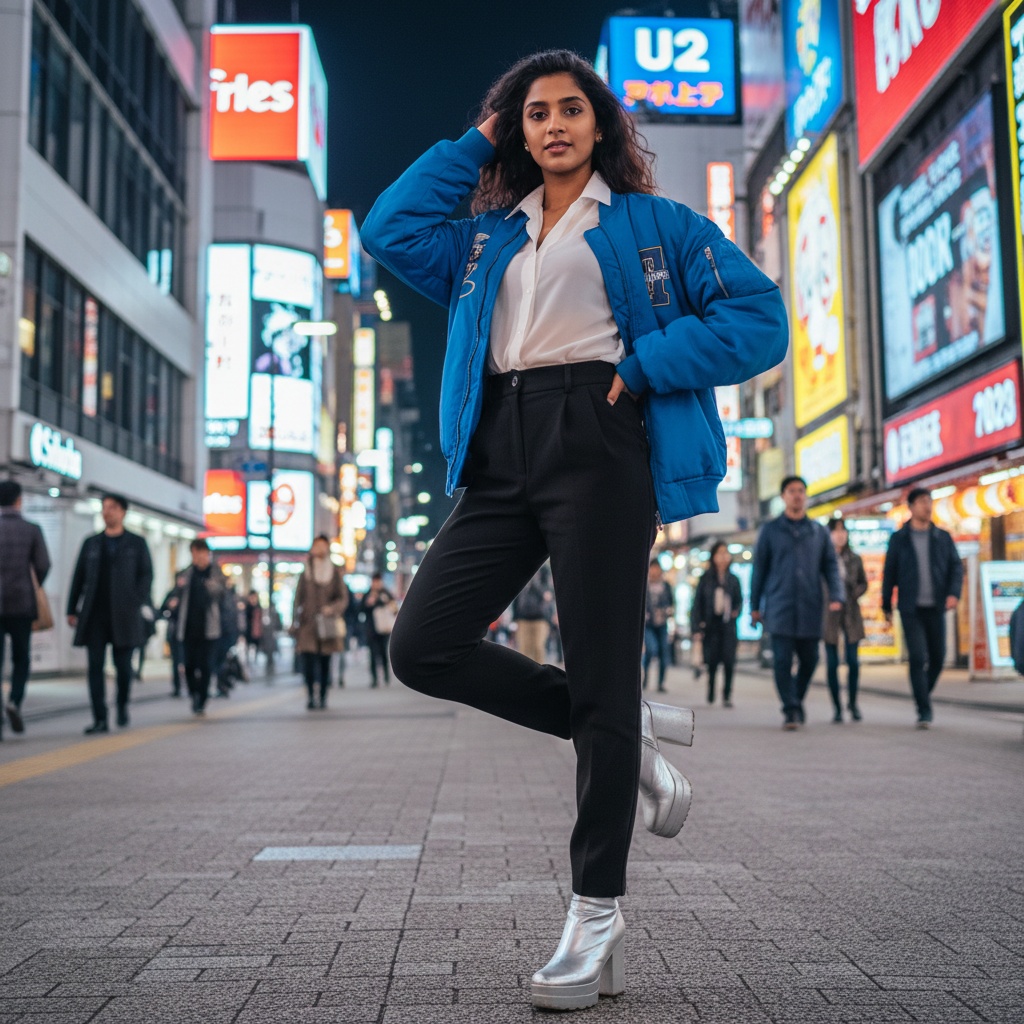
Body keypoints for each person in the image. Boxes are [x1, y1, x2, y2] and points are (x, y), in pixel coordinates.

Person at [361, 49, 787, 1010]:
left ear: (600, 126)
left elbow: (761, 320)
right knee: (422, 644)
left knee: (600, 665)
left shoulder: (653, 225)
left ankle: (596, 915)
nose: (551, 125)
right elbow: (389, 227)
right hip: (500, 447)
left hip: (602, 436)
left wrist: (643, 367)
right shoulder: (481, 242)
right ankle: (618, 728)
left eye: (569, 109)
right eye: (532, 113)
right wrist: (478, 134)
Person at [751, 476, 843, 730]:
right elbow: (759, 570)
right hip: (779, 606)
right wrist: (755, 606)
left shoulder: (818, 531)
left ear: (806, 496)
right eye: (791, 491)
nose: (797, 495)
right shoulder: (770, 531)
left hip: (810, 606)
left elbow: (831, 567)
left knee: (810, 659)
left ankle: (795, 699)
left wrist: (837, 594)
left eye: (801, 491)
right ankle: (791, 710)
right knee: (781, 661)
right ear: (783, 496)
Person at [67, 493, 153, 733]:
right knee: (95, 667)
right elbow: (78, 577)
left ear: (123, 512)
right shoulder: (91, 543)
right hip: (94, 614)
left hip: (125, 615)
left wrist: (136, 599)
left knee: (123, 667)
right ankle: (100, 718)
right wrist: (72, 608)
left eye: (112, 507)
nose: (107, 512)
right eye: (104, 507)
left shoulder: (136, 543)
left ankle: (122, 705)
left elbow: (146, 575)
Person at [882, 487, 963, 728]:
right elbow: (890, 573)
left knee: (938, 658)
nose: (927, 506)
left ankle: (922, 694)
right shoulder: (899, 538)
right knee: (918, 657)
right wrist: (886, 604)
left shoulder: (942, 537)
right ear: (911, 507)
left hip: (936, 606)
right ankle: (924, 709)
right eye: (921, 502)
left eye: (929, 501)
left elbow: (956, 568)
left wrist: (953, 593)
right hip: (910, 608)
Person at [0, 480, 51, 737]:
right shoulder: (31, 529)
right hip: (21, 604)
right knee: (21, 659)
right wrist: (32, 585)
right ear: (19, 500)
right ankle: (14, 701)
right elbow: (43, 564)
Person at [292, 535, 349, 709]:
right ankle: (310, 696)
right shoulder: (306, 570)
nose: (319, 549)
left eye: (322, 545)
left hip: (327, 624)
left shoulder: (334, 571)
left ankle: (323, 696)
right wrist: (294, 620)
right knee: (308, 662)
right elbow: (297, 598)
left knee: (325, 662)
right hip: (308, 624)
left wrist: (332, 609)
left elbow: (343, 598)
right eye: (317, 545)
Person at [174, 539, 228, 716]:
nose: (198, 557)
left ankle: (202, 699)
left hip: (209, 630)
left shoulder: (216, 573)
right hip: (188, 628)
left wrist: (208, 582)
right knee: (188, 665)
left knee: (205, 666)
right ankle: (193, 693)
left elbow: (220, 594)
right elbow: (176, 595)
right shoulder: (186, 574)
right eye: (195, 553)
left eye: (201, 553)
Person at [823, 519, 868, 723]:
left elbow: (863, 583)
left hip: (851, 613)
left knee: (853, 661)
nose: (840, 535)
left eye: (843, 531)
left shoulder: (854, 558)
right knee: (832, 664)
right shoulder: (822, 559)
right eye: (835, 531)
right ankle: (836, 707)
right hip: (829, 614)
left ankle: (853, 703)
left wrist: (853, 593)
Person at [690, 542, 742, 707]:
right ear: (713, 557)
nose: (723, 557)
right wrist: (697, 627)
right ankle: (711, 690)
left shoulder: (733, 579)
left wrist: (735, 611)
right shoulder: (705, 578)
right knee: (711, 661)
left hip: (728, 625)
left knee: (729, 661)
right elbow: (697, 603)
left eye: (725, 553)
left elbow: (739, 601)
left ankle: (727, 695)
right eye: (719, 553)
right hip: (710, 625)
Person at [642, 561, 675, 693]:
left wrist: (668, 611)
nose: (655, 571)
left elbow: (672, 603)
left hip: (662, 623)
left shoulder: (666, 586)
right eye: (653, 568)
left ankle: (661, 682)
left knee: (663, 652)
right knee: (651, 649)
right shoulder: (645, 584)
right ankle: (645, 677)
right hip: (648, 624)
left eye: (657, 568)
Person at [361, 574, 395, 688]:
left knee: (383, 653)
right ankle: (374, 678)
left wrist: (381, 601)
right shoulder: (368, 594)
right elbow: (361, 608)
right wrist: (369, 602)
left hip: (384, 628)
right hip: (371, 629)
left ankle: (386, 676)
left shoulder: (386, 593)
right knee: (373, 654)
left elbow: (393, 607)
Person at [513, 566, 553, 663]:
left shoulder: (544, 571)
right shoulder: (522, 571)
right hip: (523, 619)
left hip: (540, 619)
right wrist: (514, 617)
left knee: (538, 648)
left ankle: (539, 674)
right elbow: (516, 599)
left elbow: (547, 595)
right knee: (524, 649)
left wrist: (534, 581)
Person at [159, 575, 187, 697]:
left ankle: (190, 686)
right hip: (174, 633)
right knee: (176, 662)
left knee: (186, 661)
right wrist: (169, 607)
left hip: (187, 633)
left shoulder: (188, 595)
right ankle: (177, 687)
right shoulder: (172, 593)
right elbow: (162, 610)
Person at [244, 590, 264, 663]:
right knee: (249, 644)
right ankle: (248, 658)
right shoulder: (248, 606)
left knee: (256, 644)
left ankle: (255, 659)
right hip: (249, 629)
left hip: (257, 628)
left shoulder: (258, 606)